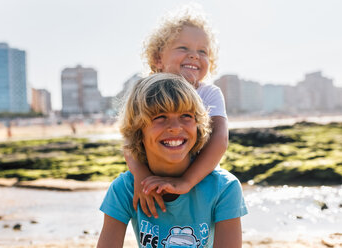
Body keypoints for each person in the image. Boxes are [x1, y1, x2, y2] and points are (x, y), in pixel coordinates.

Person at [97, 73, 247, 248]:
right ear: (138, 130)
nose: (176, 128)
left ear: (199, 125)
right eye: (160, 117)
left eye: (186, 116)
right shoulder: (125, 189)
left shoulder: (224, 188)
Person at [126, 6, 229, 219]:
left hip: (199, 182)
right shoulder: (145, 91)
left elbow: (219, 139)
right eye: (183, 47)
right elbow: (130, 138)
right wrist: (141, 176)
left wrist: (186, 181)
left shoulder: (209, 93)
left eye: (203, 51)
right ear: (157, 58)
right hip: (156, 182)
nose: (194, 55)